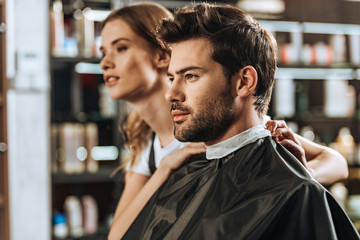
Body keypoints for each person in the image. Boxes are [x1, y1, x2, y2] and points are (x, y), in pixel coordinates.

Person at [99, 2, 348, 239]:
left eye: (191, 76)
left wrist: (294, 179)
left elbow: (334, 161)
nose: (171, 94)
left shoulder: (284, 168)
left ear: (244, 82)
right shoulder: (165, 159)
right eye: (172, 78)